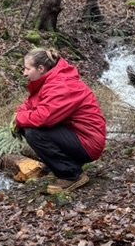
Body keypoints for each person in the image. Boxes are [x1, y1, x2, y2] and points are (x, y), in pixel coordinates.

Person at [13, 47, 106, 195]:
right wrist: (18, 116)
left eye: (27, 69)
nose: (24, 73)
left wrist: (18, 119)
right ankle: (66, 165)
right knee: (28, 126)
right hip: (78, 136)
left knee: (33, 132)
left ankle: (72, 175)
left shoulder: (61, 85)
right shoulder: (49, 81)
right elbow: (30, 104)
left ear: (41, 68)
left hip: (88, 142)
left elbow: (43, 117)